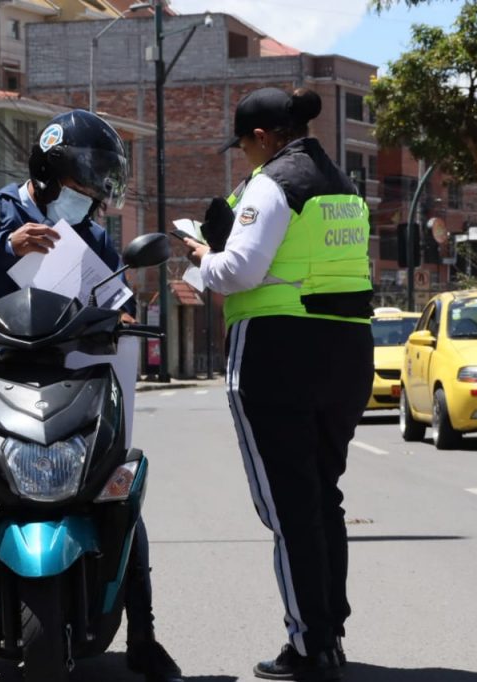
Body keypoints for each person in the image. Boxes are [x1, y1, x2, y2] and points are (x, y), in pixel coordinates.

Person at [0, 110, 182, 682]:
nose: (93, 194)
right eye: (85, 181)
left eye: (100, 183)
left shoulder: (95, 235)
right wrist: (2, 246)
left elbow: (115, 295)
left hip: (70, 381)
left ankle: (143, 636)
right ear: (48, 171)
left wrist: (126, 314)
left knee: (119, 492)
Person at [184, 87, 373, 682]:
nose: (244, 157)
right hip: (345, 352)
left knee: (288, 508)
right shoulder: (343, 188)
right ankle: (328, 632)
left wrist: (195, 257)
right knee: (321, 497)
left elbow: (238, 271)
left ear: (263, 138)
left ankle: (309, 645)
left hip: (277, 353)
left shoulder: (272, 182)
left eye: (243, 145)